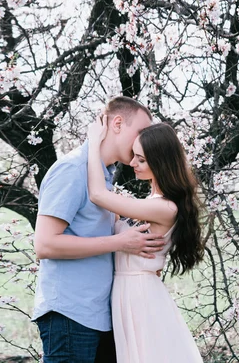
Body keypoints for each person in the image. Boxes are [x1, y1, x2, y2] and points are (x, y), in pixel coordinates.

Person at [32, 96, 166, 363]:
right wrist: (120, 242)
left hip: (99, 315)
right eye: (140, 132)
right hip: (71, 315)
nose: (143, 143)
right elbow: (45, 245)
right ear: (117, 123)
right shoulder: (72, 170)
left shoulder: (102, 176)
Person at [87, 117, 206, 363]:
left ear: (160, 163)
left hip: (139, 294)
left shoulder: (165, 208)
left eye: (141, 159)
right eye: (134, 155)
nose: (132, 163)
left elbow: (98, 194)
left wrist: (92, 143)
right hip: (129, 291)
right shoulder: (149, 204)